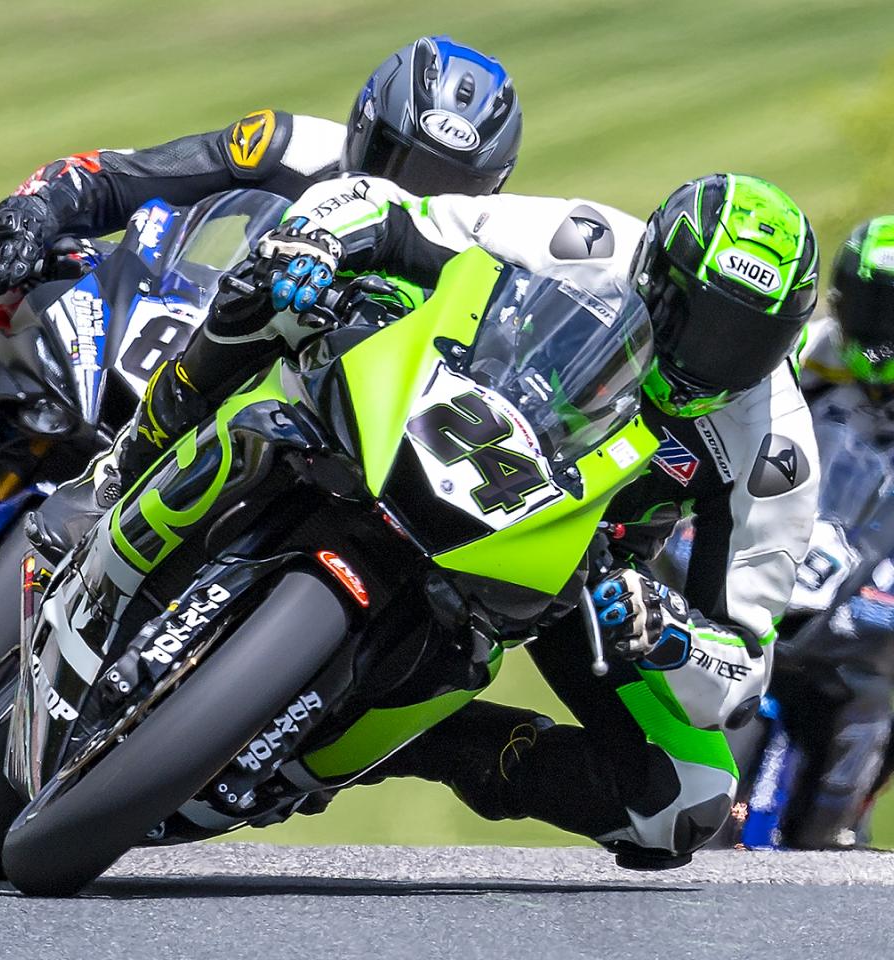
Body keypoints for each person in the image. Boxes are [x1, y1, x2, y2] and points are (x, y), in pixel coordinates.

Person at [50, 171, 820, 867]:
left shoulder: (772, 449)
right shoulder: (583, 242)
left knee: (687, 799)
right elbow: (388, 210)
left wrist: (672, 633)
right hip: (441, 416)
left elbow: (743, 668)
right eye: (697, 320)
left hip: (567, 561)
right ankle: (132, 459)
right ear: (654, 268)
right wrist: (317, 242)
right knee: (276, 287)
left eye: (747, 343)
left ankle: (407, 742)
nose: (710, 358)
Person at [0, 35, 521, 392]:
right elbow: (120, 175)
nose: (410, 195)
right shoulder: (290, 147)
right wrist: (36, 208)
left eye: (454, 186)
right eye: (400, 163)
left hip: (286, 400)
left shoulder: (482, 261)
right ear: (363, 129)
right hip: (185, 317)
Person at [756, 214, 894, 848]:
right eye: (873, 309)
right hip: (801, 557)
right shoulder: (806, 356)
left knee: (874, 694)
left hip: (878, 580)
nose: (884, 330)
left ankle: (843, 822)